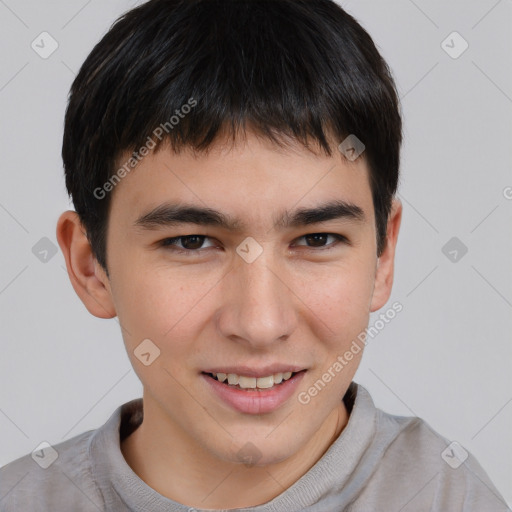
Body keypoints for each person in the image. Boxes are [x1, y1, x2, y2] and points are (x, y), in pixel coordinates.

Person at [0, 0, 509, 510]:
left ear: (382, 255)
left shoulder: (452, 497)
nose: (260, 323)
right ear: (91, 267)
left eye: (316, 240)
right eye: (191, 242)